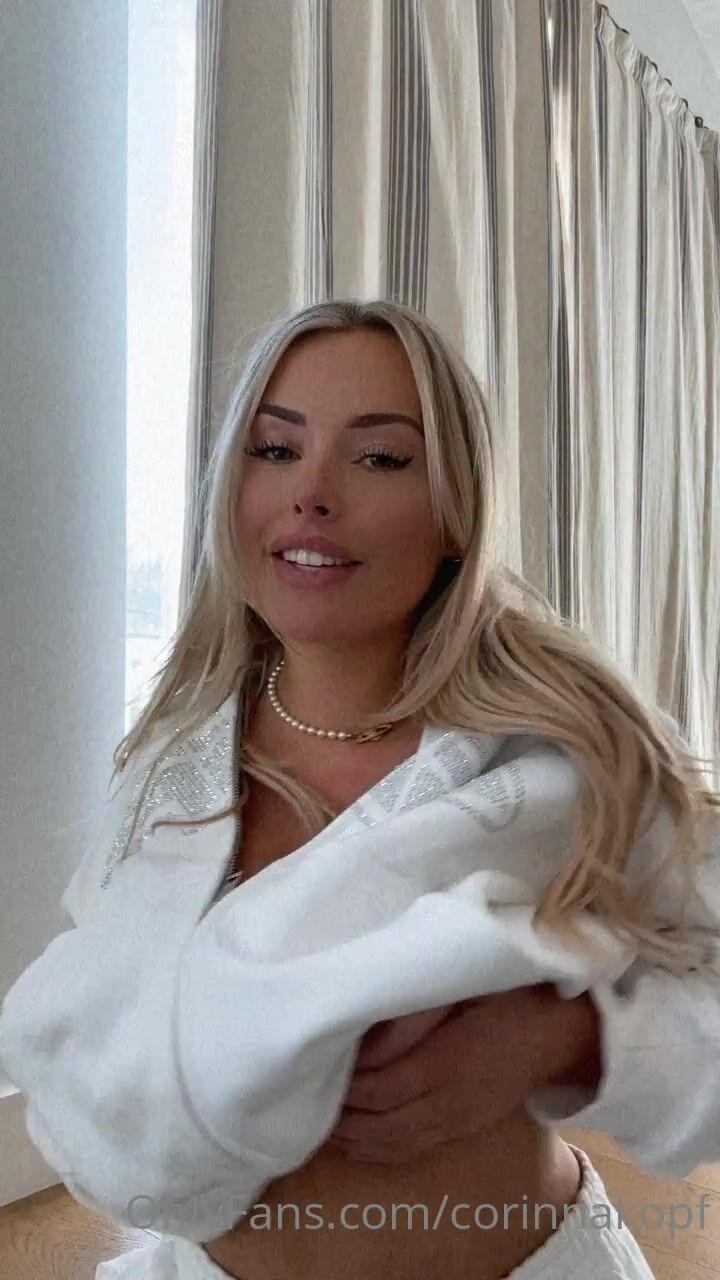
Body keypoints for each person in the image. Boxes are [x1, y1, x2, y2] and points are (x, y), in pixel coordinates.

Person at [2, 298, 720, 1280]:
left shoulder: (575, 749)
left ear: (456, 512)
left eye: (379, 457)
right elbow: (105, 1029)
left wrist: (562, 1039)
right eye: (274, 449)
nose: (311, 494)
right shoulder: (169, 761)